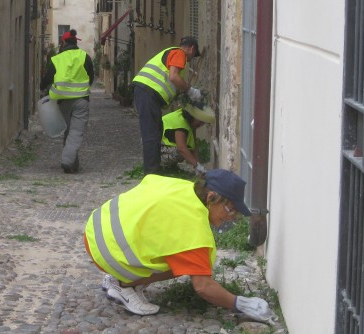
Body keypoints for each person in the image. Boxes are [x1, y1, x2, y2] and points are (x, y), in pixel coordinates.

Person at [83, 169, 276, 323]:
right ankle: (121, 284)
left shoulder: (182, 188)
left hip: (96, 228)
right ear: (211, 197)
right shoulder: (192, 225)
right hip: (107, 253)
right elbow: (203, 286)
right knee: (187, 266)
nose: (230, 217)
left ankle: (127, 278)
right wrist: (240, 303)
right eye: (230, 209)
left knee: (177, 254)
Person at [132, 36, 204, 175]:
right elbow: (174, 77)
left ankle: (154, 170)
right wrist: (190, 90)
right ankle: (152, 173)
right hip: (148, 93)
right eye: (193, 56)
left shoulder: (172, 53)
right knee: (151, 133)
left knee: (155, 131)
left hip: (147, 93)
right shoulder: (180, 53)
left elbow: (170, 81)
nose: (190, 60)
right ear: (192, 49)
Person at [40, 29, 94, 173]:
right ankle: (69, 161)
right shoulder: (85, 57)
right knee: (76, 132)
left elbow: (47, 78)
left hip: (61, 100)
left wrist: (42, 88)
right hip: (81, 100)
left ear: (63, 43)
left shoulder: (56, 59)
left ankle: (70, 162)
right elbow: (91, 77)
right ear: (76, 42)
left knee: (68, 131)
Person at [161, 102, 215, 173]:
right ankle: (162, 166)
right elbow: (182, 148)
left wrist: (198, 166)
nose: (201, 124)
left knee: (187, 153)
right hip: (155, 148)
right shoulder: (180, 124)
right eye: (200, 121)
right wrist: (197, 166)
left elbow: (194, 145)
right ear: (193, 117)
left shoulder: (189, 122)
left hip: (162, 147)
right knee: (181, 153)